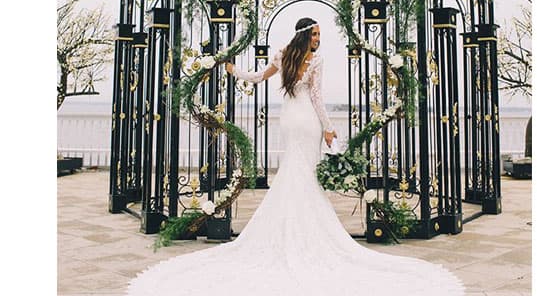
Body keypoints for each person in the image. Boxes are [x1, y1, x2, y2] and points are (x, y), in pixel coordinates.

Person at [127, 18, 464, 295]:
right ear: (306, 34)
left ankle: (287, 223)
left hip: (290, 120)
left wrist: (233, 71)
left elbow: (258, 78)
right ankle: (305, 226)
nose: (319, 39)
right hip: (307, 121)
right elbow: (317, 98)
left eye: (319, 35)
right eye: (315, 34)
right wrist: (329, 128)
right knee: (304, 172)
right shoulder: (313, 60)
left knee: (293, 170)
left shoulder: (282, 56)